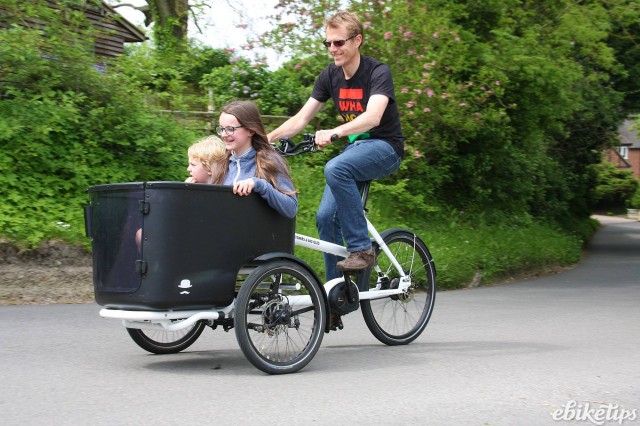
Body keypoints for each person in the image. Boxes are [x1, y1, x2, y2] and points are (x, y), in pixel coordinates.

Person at [268, 10, 405, 281]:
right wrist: (263, 141)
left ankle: (362, 248)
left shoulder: (377, 72)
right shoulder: (330, 76)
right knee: (325, 218)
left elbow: (373, 117)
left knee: (336, 167)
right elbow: (301, 119)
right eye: (328, 43)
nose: (333, 49)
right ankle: (335, 293)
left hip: (386, 147)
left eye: (339, 42)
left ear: (357, 41)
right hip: (356, 151)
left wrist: (335, 132)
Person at [217, 100, 298, 219]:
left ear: (250, 130)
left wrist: (260, 185)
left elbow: (291, 208)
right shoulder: (221, 162)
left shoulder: (270, 161)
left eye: (230, 129)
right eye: (221, 129)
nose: (224, 134)